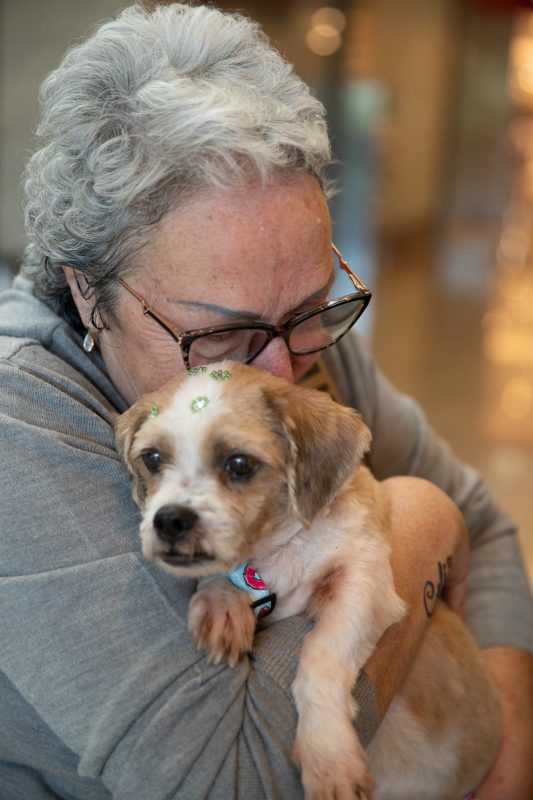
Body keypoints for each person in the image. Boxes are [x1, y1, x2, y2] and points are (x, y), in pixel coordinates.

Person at [0, 3, 531, 798]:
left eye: (310, 303)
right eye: (222, 332)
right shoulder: (19, 433)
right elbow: (230, 782)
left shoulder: (286, 345)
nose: (284, 370)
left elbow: (487, 530)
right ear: (87, 292)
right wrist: (418, 520)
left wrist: (509, 747)